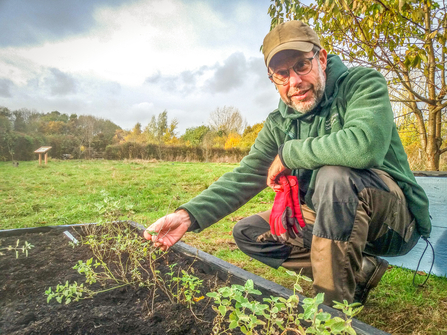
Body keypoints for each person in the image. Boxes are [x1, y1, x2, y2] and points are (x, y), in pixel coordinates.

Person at [144, 20, 431, 306]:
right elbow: (246, 174)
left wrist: (289, 154)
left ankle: (331, 315)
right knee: (249, 232)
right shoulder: (279, 123)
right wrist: (187, 215)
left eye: (301, 66)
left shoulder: (361, 84)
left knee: (335, 176)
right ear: (273, 80)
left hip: (391, 224)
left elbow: (364, 146)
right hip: (330, 218)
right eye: (282, 73)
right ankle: (359, 272)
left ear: (320, 59)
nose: (294, 81)